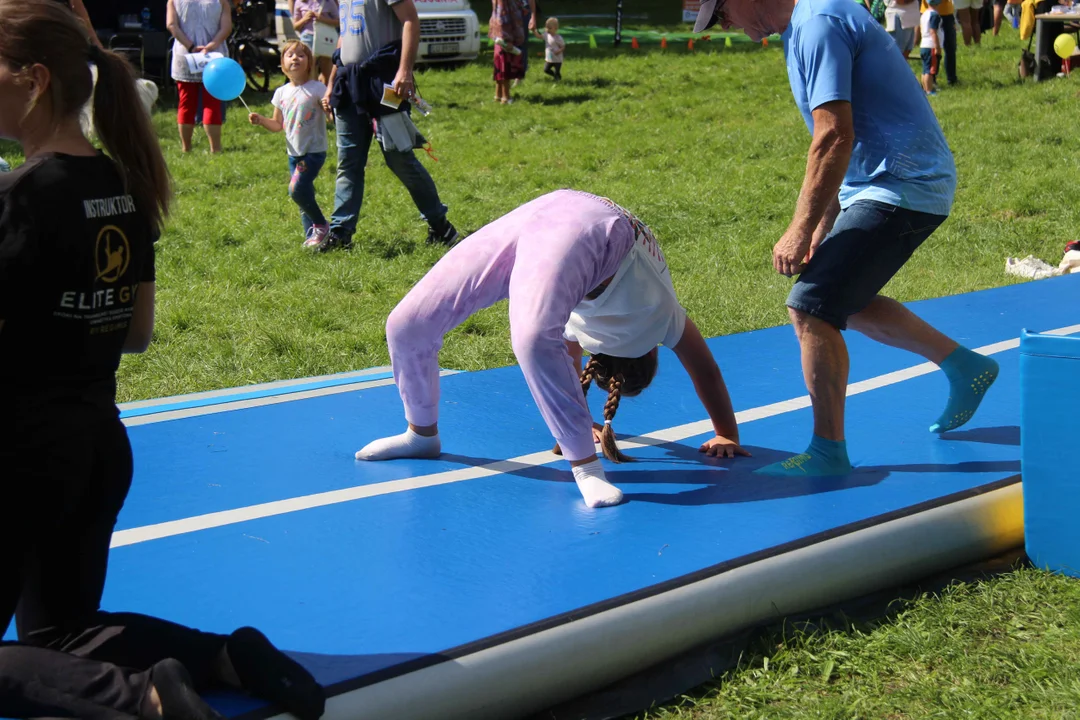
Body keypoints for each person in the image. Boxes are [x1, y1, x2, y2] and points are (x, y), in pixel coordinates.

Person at [0, 2, 326, 717]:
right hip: (94, 449)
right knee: (62, 631)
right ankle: (224, 658)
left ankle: (141, 697)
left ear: (31, 79)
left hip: (21, 455)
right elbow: (137, 329)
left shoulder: (19, 199)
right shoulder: (121, 185)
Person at [694, 0, 998, 477]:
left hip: (905, 183)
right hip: (881, 184)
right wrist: (820, 225)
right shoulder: (802, 28)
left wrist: (798, 229)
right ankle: (964, 367)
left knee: (811, 304)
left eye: (720, 15)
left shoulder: (818, 23)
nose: (722, 27)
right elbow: (847, 142)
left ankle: (827, 454)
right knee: (843, 299)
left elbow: (834, 135)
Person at [355, 190, 749, 509]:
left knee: (408, 324)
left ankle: (582, 465)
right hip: (592, 226)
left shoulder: (597, 324)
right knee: (527, 337)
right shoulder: (658, 316)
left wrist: (576, 430)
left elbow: (568, 362)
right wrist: (726, 434)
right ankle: (422, 434)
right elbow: (704, 370)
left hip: (561, 209)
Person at [317, 0, 459, 252]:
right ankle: (340, 234)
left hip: (384, 83)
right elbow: (345, 36)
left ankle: (440, 226)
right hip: (349, 83)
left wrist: (404, 70)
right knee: (348, 161)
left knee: (399, 159)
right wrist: (331, 83)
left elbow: (410, 20)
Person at [250, 40, 330, 247]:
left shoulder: (317, 88)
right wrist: (261, 121)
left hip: (313, 151)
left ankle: (321, 225)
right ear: (283, 64)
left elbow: (330, 117)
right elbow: (277, 125)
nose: (295, 58)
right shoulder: (281, 93)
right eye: (290, 55)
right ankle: (311, 238)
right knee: (304, 195)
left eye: (301, 55)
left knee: (296, 190)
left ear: (309, 63)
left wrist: (328, 107)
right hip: (293, 153)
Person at [166, 0, 233, 153]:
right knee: (212, 103)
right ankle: (215, 148)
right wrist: (210, 46)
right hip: (214, 56)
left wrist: (190, 46)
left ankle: (186, 147)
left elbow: (171, 25)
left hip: (185, 55)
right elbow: (226, 28)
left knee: (186, 102)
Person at [289, 0, 337, 84]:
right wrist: (304, 19)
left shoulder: (329, 2)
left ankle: (325, 93)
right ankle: (312, 93)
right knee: (310, 68)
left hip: (324, 37)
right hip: (307, 37)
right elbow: (295, 26)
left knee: (326, 69)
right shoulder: (300, 2)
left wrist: (322, 19)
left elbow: (338, 22)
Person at [490, 0, 527, 103]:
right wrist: (507, 39)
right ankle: (506, 97)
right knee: (505, 68)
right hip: (506, 38)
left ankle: (498, 96)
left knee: (499, 67)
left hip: (500, 36)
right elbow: (502, 17)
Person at [921, 0, 944, 94]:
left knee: (925, 69)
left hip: (924, 44)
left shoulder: (924, 14)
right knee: (930, 70)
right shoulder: (934, 15)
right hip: (931, 45)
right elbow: (933, 31)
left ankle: (925, 89)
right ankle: (929, 90)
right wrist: (937, 46)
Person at [535, 16, 565, 80]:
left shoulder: (558, 38)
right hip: (549, 58)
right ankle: (555, 76)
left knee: (557, 71)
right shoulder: (546, 35)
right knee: (546, 69)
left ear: (556, 28)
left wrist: (559, 51)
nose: (548, 29)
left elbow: (563, 46)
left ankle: (557, 78)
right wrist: (534, 31)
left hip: (557, 59)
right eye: (546, 27)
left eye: (550, 28)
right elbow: (539, 36)